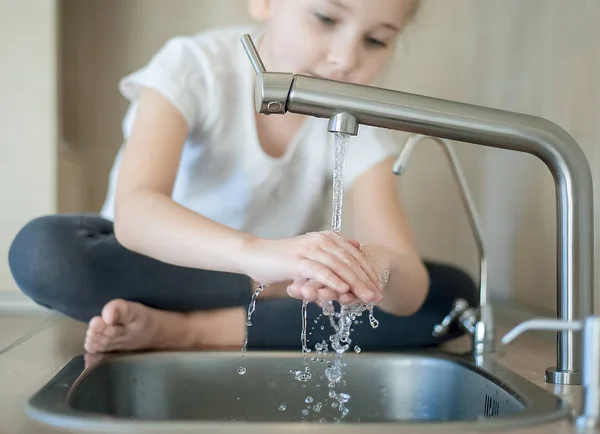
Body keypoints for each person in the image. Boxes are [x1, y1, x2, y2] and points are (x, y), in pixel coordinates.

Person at [8, 0, 478, 355]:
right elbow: (135, 212)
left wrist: (368, 268)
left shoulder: (356, 117)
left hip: (269, 293)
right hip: (149, 272)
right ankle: (239, 298)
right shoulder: (195, 66)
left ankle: (186, 332)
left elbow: (407, 280)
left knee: (449, 297)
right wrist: (261, 258)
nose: (345, 58)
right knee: (46, 252)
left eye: (376, 40)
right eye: (327, 19)